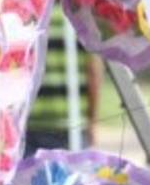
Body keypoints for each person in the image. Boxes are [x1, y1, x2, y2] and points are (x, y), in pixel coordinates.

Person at [24, 15, 101, 156]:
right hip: (70, 124)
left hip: (30, 121)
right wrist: (92, 120)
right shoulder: (77, 13)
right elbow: (92, 71)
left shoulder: (26, 9)